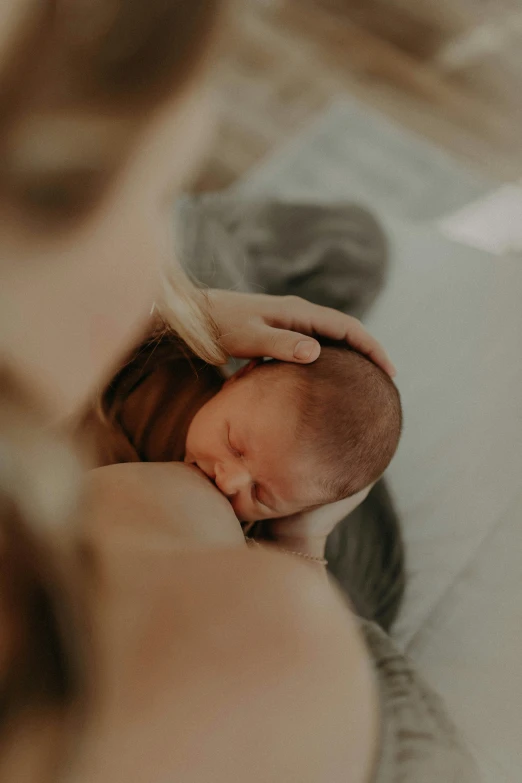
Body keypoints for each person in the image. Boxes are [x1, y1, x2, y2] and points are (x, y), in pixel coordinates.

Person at [0, 2, 477, 783]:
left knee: (240, 265)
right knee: (224, 244)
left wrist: (181, 316)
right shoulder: (278, 656)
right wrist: (303, 543)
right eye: (153, 199)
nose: (231, 480)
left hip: (305, 499)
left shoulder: (239, 433)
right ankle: (348, 245)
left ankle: (348, 247)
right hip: (329, 584)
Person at [79, 332, 402, 526]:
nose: (229, 483)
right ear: (238, 378)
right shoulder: (166, 364)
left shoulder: (234, 535)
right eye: (235, 446)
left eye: (261, 495)